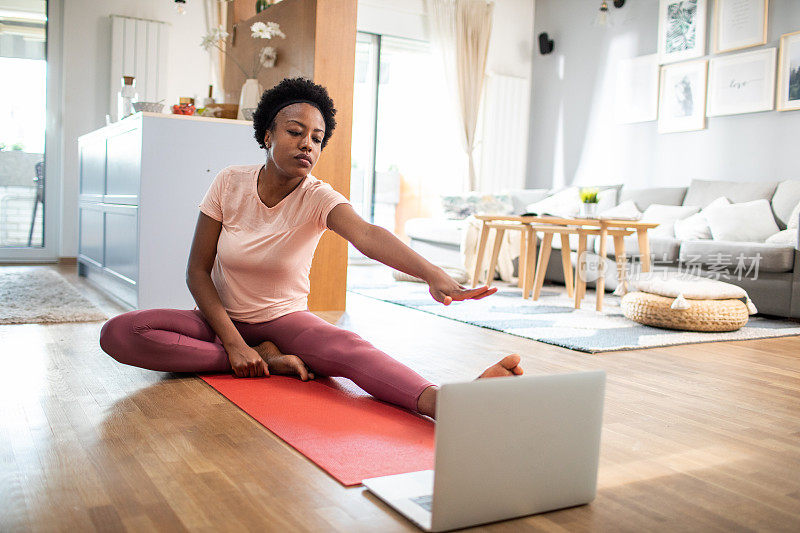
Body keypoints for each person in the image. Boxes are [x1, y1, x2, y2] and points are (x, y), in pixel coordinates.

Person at [99, 77, 523, 419]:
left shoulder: (318, 197)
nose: (307, 144)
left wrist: (434, 274)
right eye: (295, 132)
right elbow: (196, 271)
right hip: (218, 320)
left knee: (349, 348)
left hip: (287, 322)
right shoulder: (229, 182)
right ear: (267, 135)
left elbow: (369, 236)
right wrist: (234, 344)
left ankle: (446, 403)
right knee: (120, 333)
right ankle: (271, 361)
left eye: (317, 139)